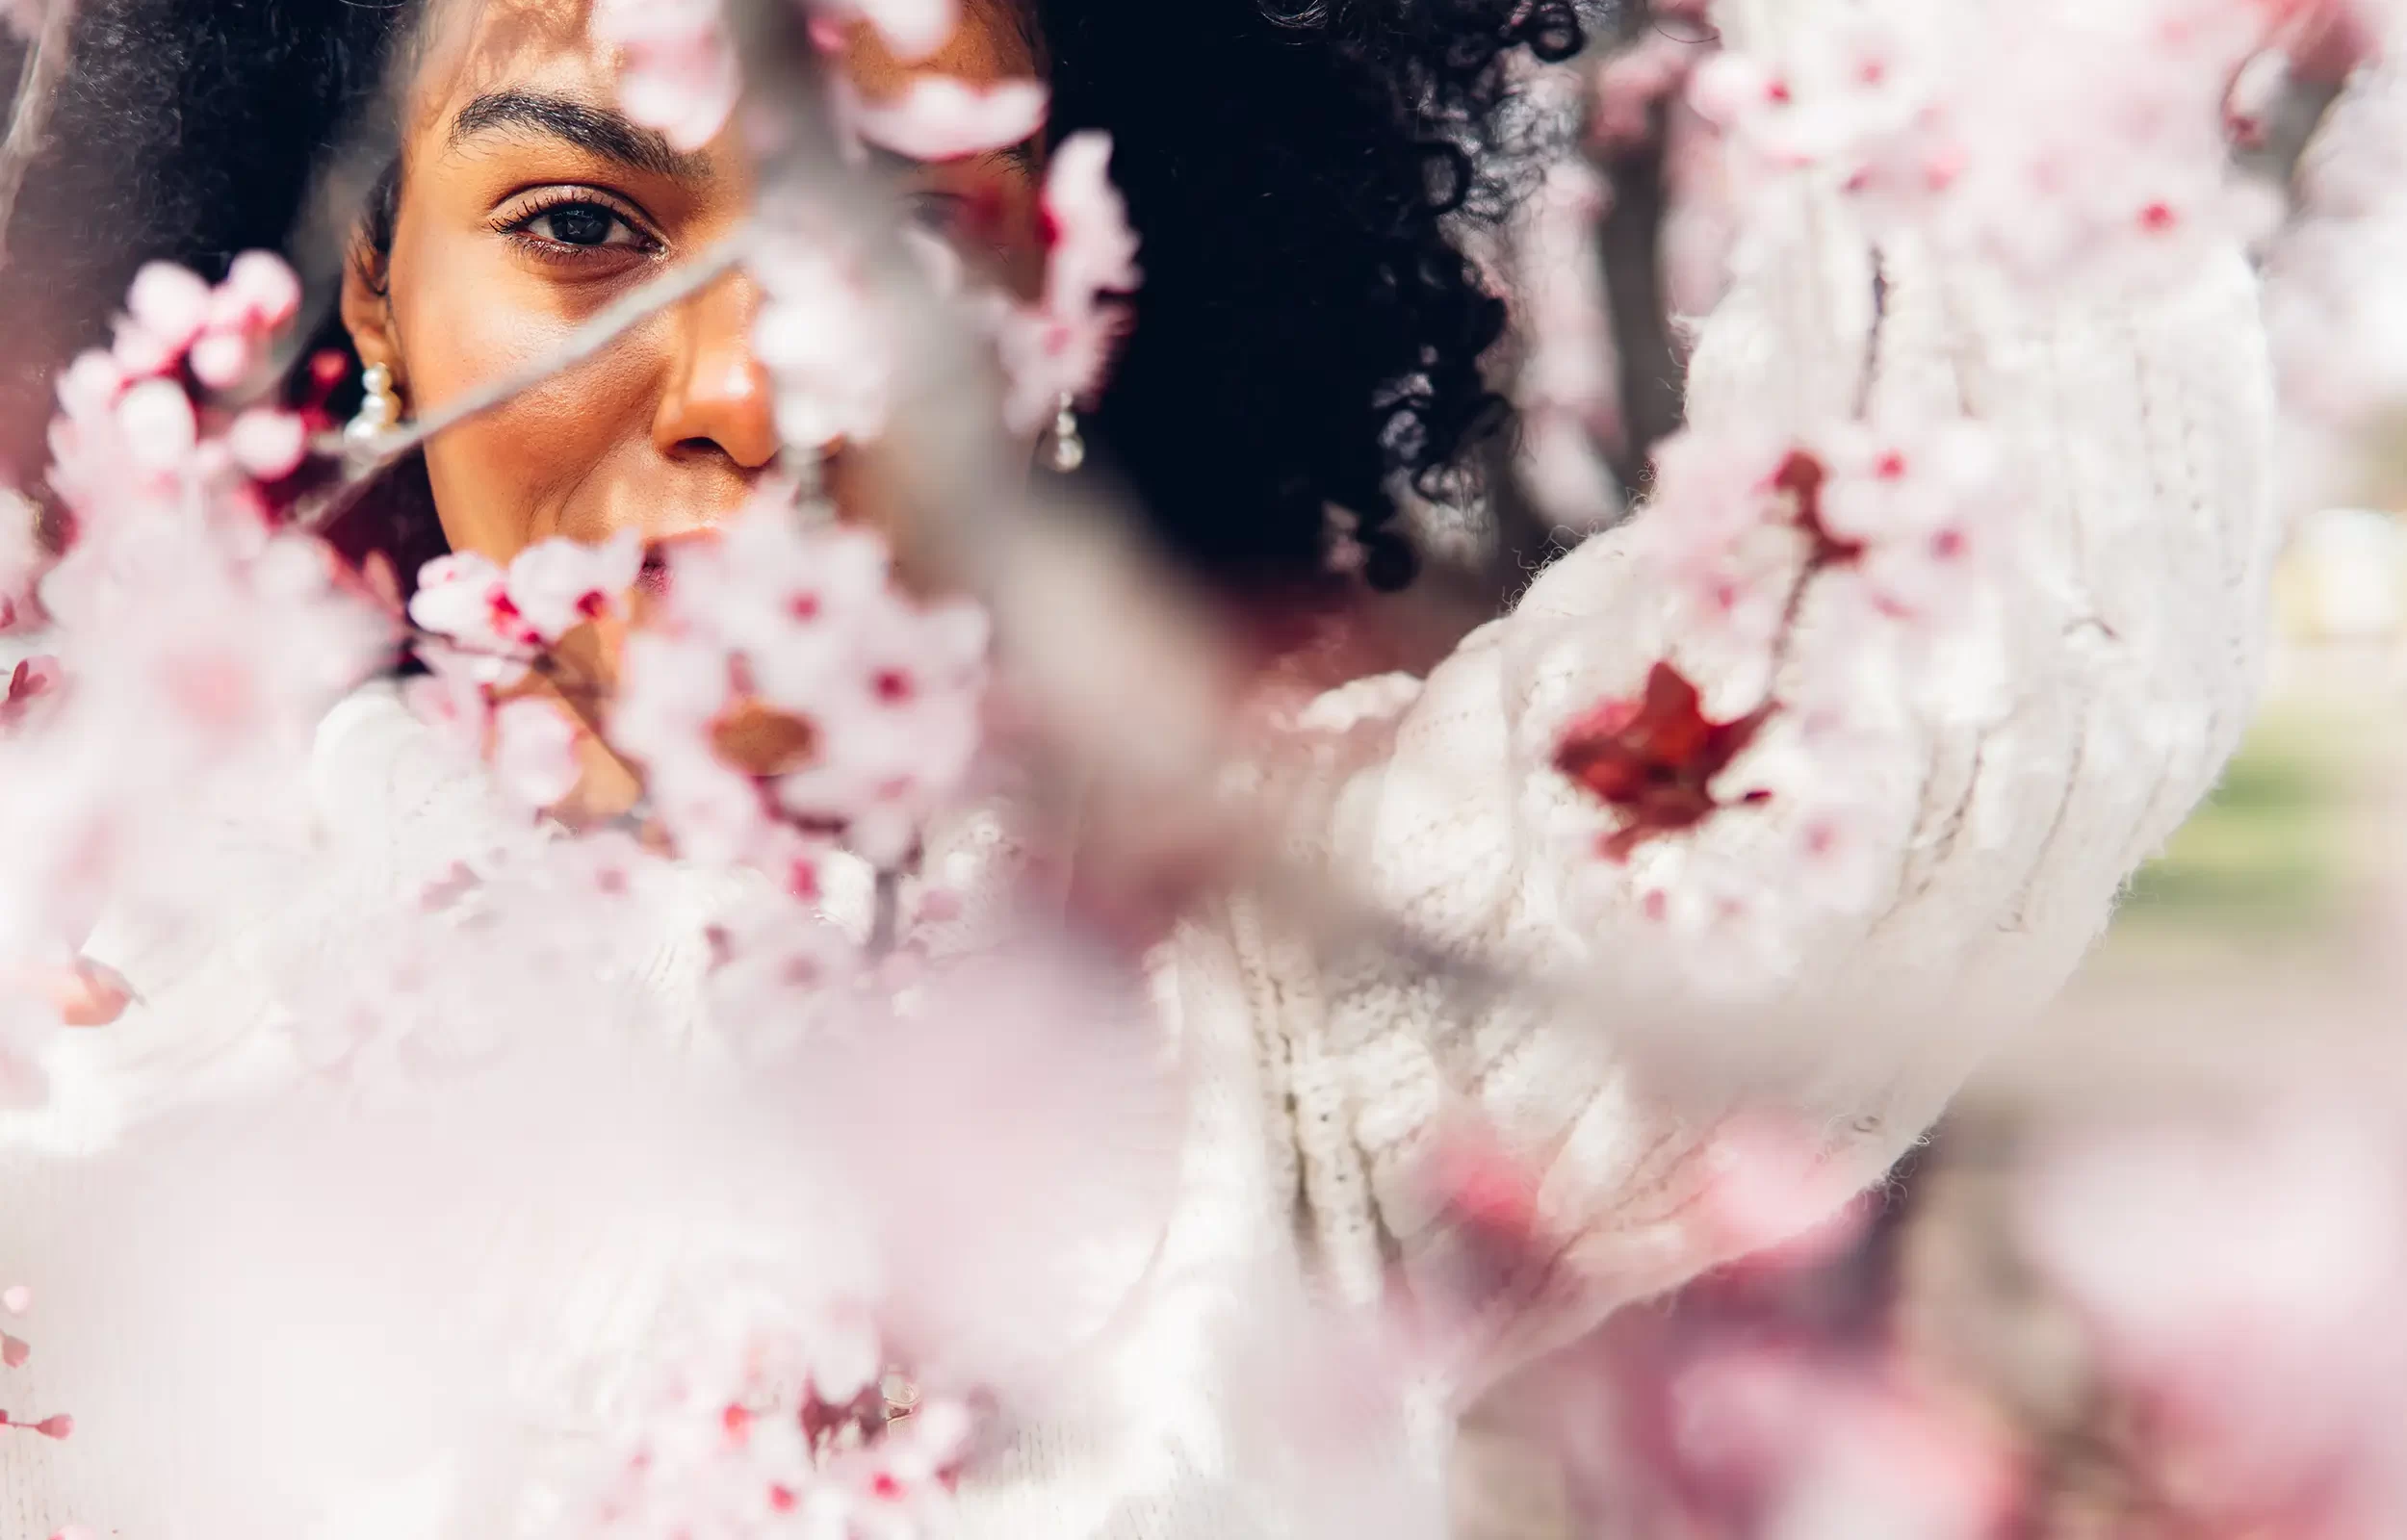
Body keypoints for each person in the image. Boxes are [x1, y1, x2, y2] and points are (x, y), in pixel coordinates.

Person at [0, 0, 2277, 1533]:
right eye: (581, 228)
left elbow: (1968, 640)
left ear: (1074, 333)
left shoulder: (1267, 1014)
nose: (737, 387)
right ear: (372, 290)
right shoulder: (89, 1005)